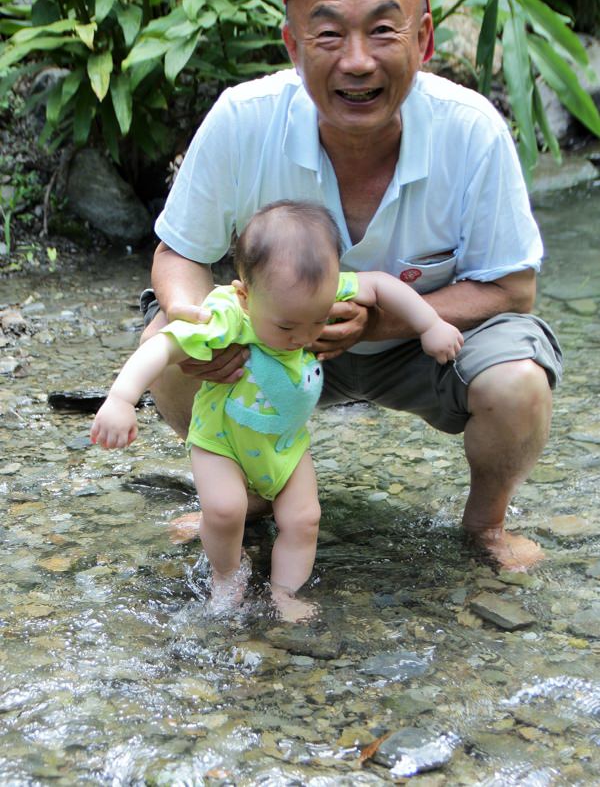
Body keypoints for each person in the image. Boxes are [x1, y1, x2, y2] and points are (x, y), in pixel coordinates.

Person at [141, 0, 562, 572]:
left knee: (518, 379)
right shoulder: (243, 119)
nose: (358, 62)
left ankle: (485, 527)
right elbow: (180, 254)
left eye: (384, 30)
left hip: (419, 344)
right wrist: (201, 324)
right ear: (292, 45)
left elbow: (514, 288)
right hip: (268, 340)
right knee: (164, 347)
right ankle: (244, 496)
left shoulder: (472, 130)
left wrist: (377, 322)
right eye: (329, 35)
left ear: (424, 40)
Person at [92, 201, 463, 620]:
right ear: (245, 296)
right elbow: (163, 345)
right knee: (225, 510)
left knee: (304, 520)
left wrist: (429, 324)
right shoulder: (229, 316)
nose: (302, 337)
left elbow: (379, 284)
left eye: (316, 321)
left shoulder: (309, 293)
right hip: (222, 441)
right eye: (287, 327)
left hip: (285, 445)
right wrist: (122, 399)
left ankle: (286, 592)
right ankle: (227, 574)